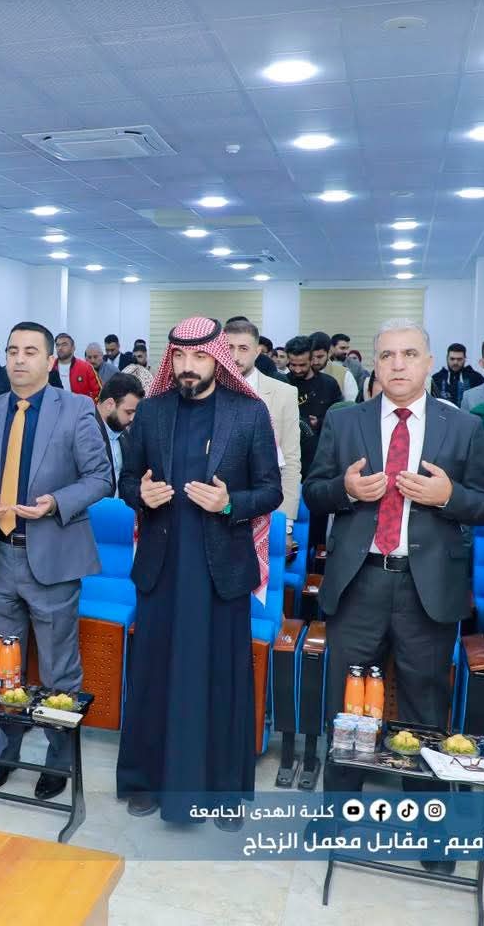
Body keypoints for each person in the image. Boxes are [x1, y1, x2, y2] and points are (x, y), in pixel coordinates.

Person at [304, 320, 484, 866]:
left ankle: (429, 829)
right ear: (376, 363)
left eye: (409, 354)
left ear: (429, 362)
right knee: (348, 705)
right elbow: (314, 492)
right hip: (359, 579)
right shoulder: (346, 421)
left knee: (423, 706)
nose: (397, 364)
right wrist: (345, 489)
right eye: (387, 354)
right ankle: (338, 816)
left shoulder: (463, 428)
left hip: (426, 587)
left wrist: (447, 495)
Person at [117, 316, 283, 827]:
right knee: (154, 677)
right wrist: (140, 495)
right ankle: (147, 781)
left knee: (220, 681)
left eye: (200, 357)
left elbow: (271, 491)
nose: (188, 367)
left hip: (219, 573)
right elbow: (127, 480)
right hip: (162, 569)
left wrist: (230, 502)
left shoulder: (248, 413)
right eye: (180, 357)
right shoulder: (151, 411)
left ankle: (224, 793)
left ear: (218, 359)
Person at [0, 321, 113, 800]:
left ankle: (58, 761)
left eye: (30, 351)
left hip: (52, 558)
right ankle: (5, 754)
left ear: (49, 360)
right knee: (3, 667)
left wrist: (55, 503)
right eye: (12, 351)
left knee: (59, 669)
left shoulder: (76, 409)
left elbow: (100, 477)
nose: (19, 359)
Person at [225, 317, 301, 522]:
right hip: (218, 506)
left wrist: (285, 521)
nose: (235, 356)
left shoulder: (283, 393)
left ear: (257, 351)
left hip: (268, 506)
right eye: (229, 348)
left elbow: (290, 461)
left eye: (243, 348)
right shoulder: (209, 390)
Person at [93, 371, 144, 495]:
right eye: (128, 412)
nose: (132, 419)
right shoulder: (83, 433)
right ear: (110, 404)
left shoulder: (124, 435)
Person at [49, 332, 101, 399]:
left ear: (73, 348)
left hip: (82, 405)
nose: (60, 348)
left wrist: (88, 405)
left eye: (64, 344)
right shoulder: (49, 368)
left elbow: (98, 392)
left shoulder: (86, 368)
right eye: (57, 345)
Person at [430, 342, 484, 406]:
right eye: (452, 359)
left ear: (465, 359)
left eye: (459, 359)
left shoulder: (476, 378)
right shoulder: (436, 378)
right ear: (447, 358)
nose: (455, 362)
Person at [311, 332, 358, 402]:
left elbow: (352, 404)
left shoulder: (344, 374)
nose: (315, 362)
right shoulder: (300, 372)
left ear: (329, 353)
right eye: (311, 357)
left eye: (320, 357)